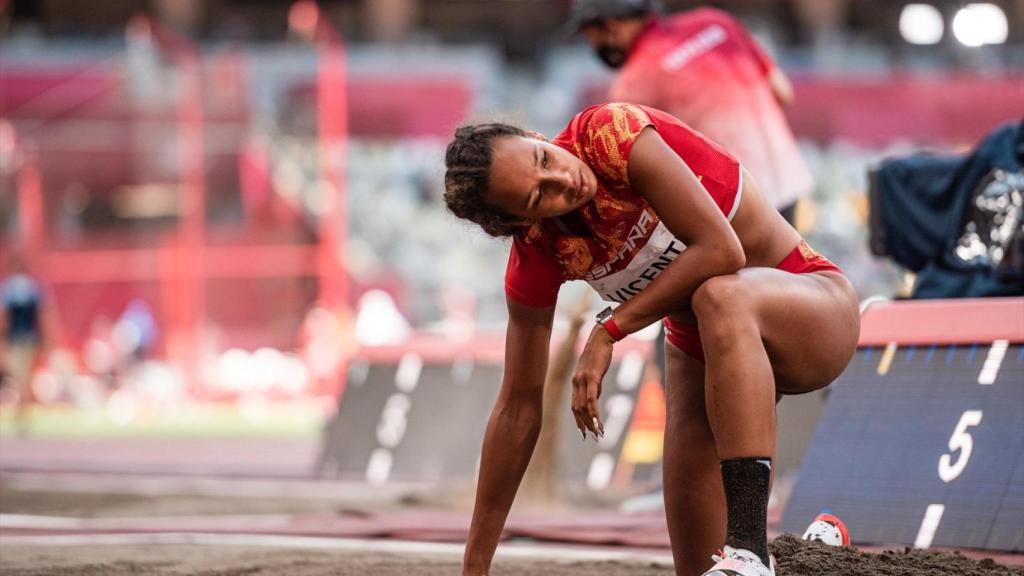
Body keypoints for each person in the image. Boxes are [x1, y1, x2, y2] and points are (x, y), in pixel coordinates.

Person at [444, 103, 859, 576]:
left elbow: (722, 249)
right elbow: (517, 406)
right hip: (710, 355)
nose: (563, 181)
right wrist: (475, 564)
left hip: (815, 310)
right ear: (521, 224)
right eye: (540, 199)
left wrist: (609, 330)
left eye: (544, 159)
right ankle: (820, 558)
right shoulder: (538, 252)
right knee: (702, 568)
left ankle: (750, 548)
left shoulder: (607, 135)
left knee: (719, 296)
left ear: (534, 134)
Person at [570, 0, 813, 225]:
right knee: (797, 270)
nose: (594, 47)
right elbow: (783, 91)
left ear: (611, 28)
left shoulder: (632, 83)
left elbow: (640, 174)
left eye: (591, 39)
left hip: (738, 207)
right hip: (788, 180)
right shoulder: (715, 21)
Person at [1, 253, 47, 434]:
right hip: (30, 338)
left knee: (19, 378)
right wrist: (46, 340)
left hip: (15, 339)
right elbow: (43, 315)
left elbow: (4, 316)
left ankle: (22, 415)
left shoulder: (8, 288)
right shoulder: (33, 287)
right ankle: (24, 414)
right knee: (25, 378)